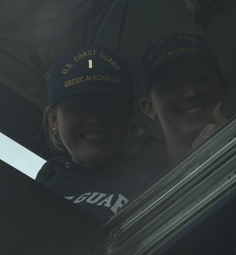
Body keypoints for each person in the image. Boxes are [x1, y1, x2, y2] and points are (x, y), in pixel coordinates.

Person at [36, 45, 165, 221]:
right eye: (79, 106)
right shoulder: (35, 192)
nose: (95, 118)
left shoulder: (157, 181)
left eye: (111, 107)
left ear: (129, 118)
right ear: (53, 119)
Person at [139, 33, 228, 164]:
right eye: (171, 86)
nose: (191, 93)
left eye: (201, 78)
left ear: (224, 88)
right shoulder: (147, 183)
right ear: (150, 108)